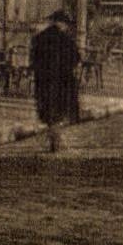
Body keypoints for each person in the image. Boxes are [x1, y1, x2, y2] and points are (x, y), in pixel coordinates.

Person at [30, 10, 80, 152]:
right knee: (60, 109)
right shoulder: (67, 39)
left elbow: (34, 59)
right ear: (62, 23)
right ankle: (56, 140)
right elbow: (76, 58)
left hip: (44, 80)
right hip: (62, 81)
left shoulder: (40, 37)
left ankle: (54, 139)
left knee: (48, 109)